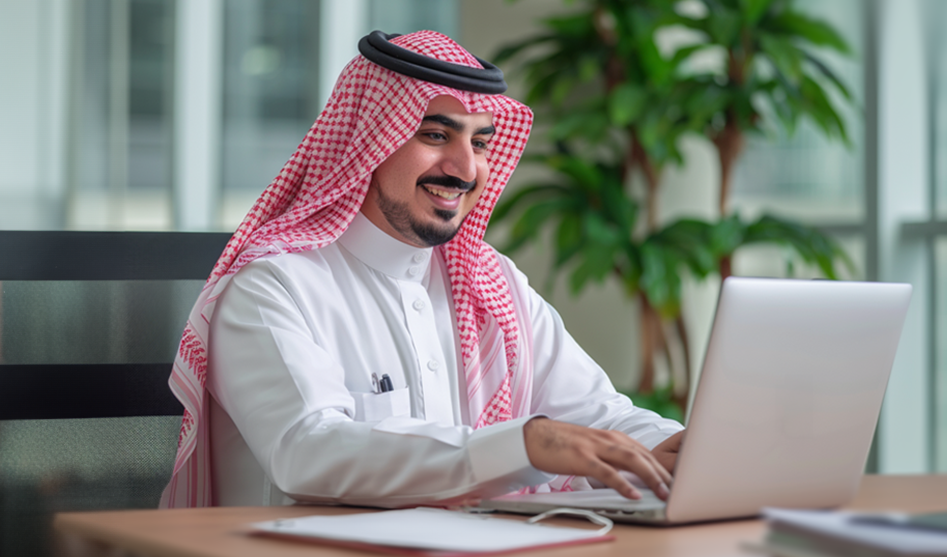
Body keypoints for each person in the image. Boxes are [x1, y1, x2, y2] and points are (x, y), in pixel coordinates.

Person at [160, 30, 684, 509]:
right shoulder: (275, 286)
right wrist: (522, 446)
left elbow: (600, 416)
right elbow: (307, 451)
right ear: (369, 141)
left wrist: (683, 448)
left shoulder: (491, 282)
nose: (465, 168)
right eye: (436, 135)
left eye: (480, 143)